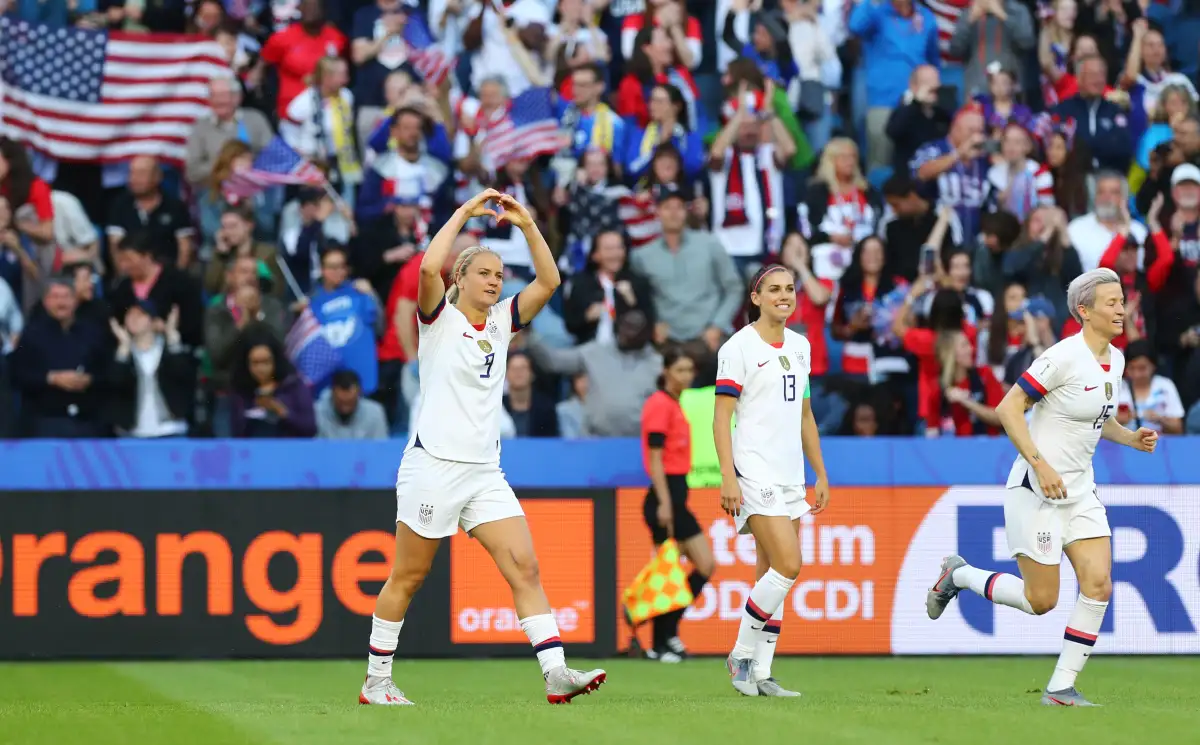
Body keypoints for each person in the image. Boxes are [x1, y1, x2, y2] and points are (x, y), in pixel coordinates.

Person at [361, 189, 605, 707]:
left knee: (525, 567)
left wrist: (527, 224)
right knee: (409, 575)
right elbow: (427, 268)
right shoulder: (437, 320)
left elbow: (549, 281)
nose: (495, 281)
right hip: (433, 466)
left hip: (484, 473)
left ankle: (556, 673)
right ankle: (376, 681)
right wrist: (463, 213)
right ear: (462, 277)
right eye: (485, 273)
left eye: (499, 274)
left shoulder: (501, 322)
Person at [925, 268, 1159, 707]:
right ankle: (958, 575)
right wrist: (1040, 464)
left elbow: (1096, 416)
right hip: (1037, 489)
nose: (1121, 310)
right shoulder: (1062, 356)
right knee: (1040, 600)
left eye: (1122, 301)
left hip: (1080, 491)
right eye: (1111, 302)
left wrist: (1130, 437)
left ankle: (1060, 689)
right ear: (1084, 311)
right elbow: (1008, 408)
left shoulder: (1116, 359)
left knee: (1099, 584)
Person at [714, 264, 831, 698]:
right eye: (775, 289)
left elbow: (805, 415)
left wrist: (819, 473)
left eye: (790, 289)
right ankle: (740, 655)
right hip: (753, 469)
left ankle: (761, 673)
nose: (784, 296)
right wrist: (728, 476)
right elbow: (721, 418)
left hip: (789, 474)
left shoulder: (801, 346)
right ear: (756, 298)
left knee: (770, 572)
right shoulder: (738, 348)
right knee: (789, 564)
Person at [639, 346, 712, 663]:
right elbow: (655, 458)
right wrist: (665, 502)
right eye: (680, 369)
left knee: (687, 569)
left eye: (689, 370)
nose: (686, 376)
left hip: (677, 494)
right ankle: (661, 642)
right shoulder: (659, 404)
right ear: (666, 371)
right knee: (673, 571)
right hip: (665, 495)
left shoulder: (674, 403)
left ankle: (666, 637)